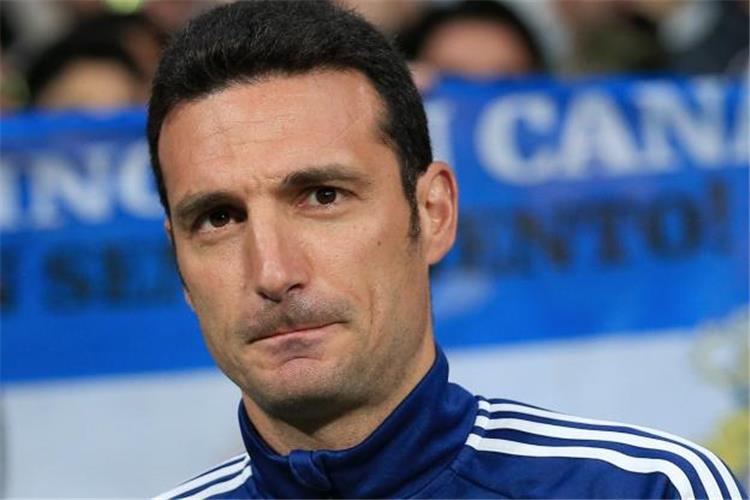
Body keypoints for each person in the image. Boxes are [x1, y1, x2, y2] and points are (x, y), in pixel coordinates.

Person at [147, 1, 746, 498]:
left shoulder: (646, 490)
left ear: (434, 213)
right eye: (218, 218)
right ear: (179, 262)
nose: (273, 271)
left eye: (324, 196)